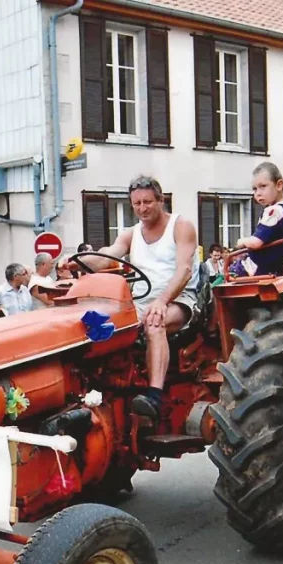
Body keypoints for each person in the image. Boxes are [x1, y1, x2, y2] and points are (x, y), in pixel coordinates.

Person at [78, 175, 199, 421]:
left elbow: (184, 270)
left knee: (155, 322)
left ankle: (154, 395)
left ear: (160, 200)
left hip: (180, 297)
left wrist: (162, 301)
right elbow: (107, 256)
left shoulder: (180, 225)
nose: (142, 208)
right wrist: (76, 260)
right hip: (142, 300)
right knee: (97, 324)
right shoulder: (131, 234)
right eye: (136, 204)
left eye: (147, 202)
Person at [229, 163, 283, 277]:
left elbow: (256, 242)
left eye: (263, 186)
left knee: (220, 282)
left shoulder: (273, 211)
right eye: (254, 189)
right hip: (278, 268)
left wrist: (241, 241)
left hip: (258, 268)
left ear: (279, 185)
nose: (258, 193)